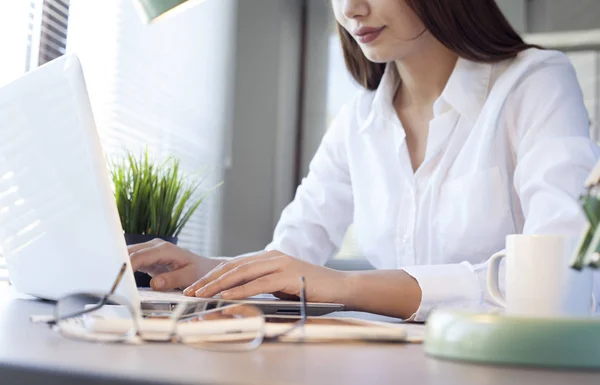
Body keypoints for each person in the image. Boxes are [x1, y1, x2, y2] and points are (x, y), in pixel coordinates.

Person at [129, 0, 600, 321]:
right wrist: (209, 271)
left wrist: (346, 287)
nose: (351, 8)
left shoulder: (534, 83)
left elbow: (564, 274)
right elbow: (293, 253)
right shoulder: (360, 118)